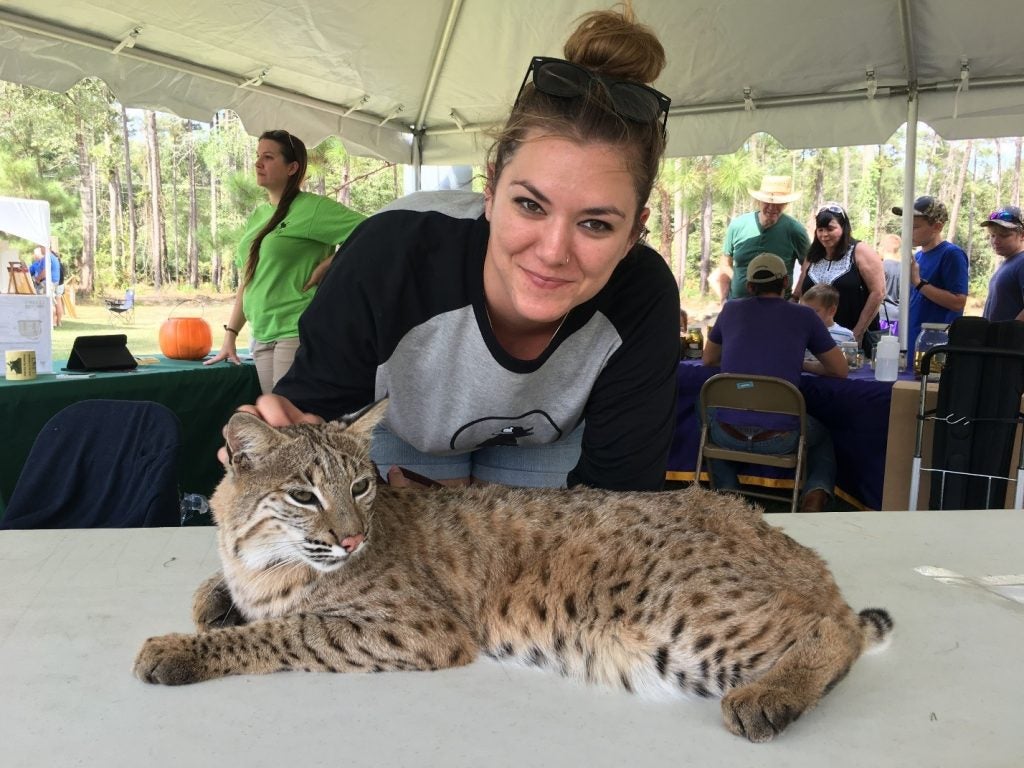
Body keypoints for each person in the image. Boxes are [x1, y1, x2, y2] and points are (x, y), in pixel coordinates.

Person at [229, 6, 681, 492]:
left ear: (633, 233)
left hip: (551, 441)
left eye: (595, 223)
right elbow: (311, 422)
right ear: (489, 192)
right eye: (529, 204)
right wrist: (280, 439)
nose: (553, 252)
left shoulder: (643, 292)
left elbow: (618, 506)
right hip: (402, 429)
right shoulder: (389, 254)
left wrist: (474, 523)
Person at [206, 130, 366, 393]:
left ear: (292, 167)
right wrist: (231, 335)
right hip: (261, 332)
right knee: (276, 424)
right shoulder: (259, 214)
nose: (258, 163)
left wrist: (330, 264)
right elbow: (249, 281)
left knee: (289, 421)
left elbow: (372, 230)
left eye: (268, 157)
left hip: (295, 330)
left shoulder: (313, 209)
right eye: (258, 156)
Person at [703, 252, 848, 513]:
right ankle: (815, 495)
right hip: (780, 439)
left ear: (749, 286)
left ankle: (728, 494)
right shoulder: (805, 316)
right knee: (823, 436)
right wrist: (801, 363)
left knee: (703, 413)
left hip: (728, 435)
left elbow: (709, 359)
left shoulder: (731, 309)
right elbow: (840, 370)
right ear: (785, 282)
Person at [794, 202, 885, 353]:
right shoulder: (813, 254)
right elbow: (800, 293)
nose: (824, 235)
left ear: (844, 227)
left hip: (851, 340)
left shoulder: (860, 251)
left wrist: (857, 333)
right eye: (820, 229)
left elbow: (878, 293)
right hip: (813, 340)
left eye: (830, 229)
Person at [891, 196, 968, 357]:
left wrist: (918, 283)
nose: (907, 231)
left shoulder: (951, 254)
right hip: (911, 343)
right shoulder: (918, 256)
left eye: (915, 227)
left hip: (935, 348)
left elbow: (958, 302)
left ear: (937, 227)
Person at [719, 176, 809, 302]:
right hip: (738, 306)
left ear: (786, 203)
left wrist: (795, 297)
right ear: (759, 201)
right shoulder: (738, 225)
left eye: (778, 203)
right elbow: (725, 263)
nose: (772, 207)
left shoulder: (795, 230)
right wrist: (724, 299)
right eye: (767, 202)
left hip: (778, 310)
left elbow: (808, 266)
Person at [980, 205, 1024, 321]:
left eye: (1004, 235)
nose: (995, 241)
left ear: (1022, 235)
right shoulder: (1008, 262)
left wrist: (1009, 333)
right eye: (992, 235)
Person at [28, 245, 63, 326]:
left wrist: (37, 279)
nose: (41, 249)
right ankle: (51, 322)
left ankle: (51, 322)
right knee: (50, 302)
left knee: (48, 302)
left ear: (46, 247)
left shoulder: (48, 257)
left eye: (42, 248)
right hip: (49, 282)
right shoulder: (49, 257)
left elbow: (45, 271)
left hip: (48, 282)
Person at [877, 233, 901, 330]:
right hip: (899, 316)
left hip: (882, 315)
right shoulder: (906, 269)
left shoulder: (879, 267)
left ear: (882, 248)